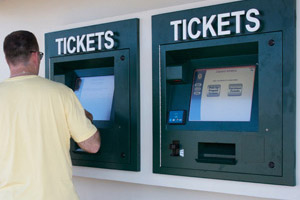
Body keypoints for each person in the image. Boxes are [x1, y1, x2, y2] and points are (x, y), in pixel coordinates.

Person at [0, 30, 100, 200]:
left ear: (7, 59)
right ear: (35, 56)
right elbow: (92, 145)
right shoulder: (61, 93)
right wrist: (81, 116)